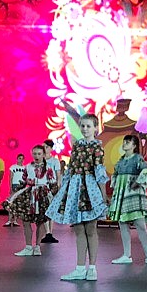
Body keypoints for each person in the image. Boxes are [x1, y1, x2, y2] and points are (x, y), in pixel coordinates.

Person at [47, 114, 109, 281]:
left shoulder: (97, 147)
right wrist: (64, 189)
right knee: (79, 229)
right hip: (75, 188)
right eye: (82, 126)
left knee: (91, 229)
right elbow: (71, 168)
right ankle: (80, 268)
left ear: (95, 128)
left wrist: (103, 194)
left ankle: (92, 268)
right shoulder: (77, 145)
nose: (85, 129)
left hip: (90, 189)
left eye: (88, 126)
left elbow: (99, 171)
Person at [107, 134, 147, 265]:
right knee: (123, 223)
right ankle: (126, 255)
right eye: (124, 142)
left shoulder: (138, 158)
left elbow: (145, 171)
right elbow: (115, 175)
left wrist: (137, 182)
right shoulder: (121, 160)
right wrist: (116, 188)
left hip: (134, 194)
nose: (124, 144)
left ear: (134, 145)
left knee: (140, 224)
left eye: (128, 142)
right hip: (123, 194)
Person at [7, 145, 58, 256]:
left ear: (43, 155)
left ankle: (37, 246)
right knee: (26, 221)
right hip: (29, 195)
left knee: (41, 221)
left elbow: (53, 183)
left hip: (42, 195)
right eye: (35, 153)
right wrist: (15, 193)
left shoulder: (49, 168)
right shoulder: (28, 167)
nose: (36, 156)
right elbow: (24, 181)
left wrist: (54, 197)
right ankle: (28, 246)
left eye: (39, 154)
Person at [40, 139, 62, 244]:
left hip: (52, 186)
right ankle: (47, 232)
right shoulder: (40, 160)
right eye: (43, 146)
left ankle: (50, 232)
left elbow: (58, 175)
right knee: (44, 209)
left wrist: (58, 186)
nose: (44, 149)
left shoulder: (55, 161)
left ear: (51, 148)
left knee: (51, 209)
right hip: (42, 186)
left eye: (46, 147)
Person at [5, 153, 27, 227]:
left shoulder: (25, 168)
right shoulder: (13, 167)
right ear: (17, 159)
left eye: (22, 159)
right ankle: (9, 220)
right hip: (14, 185)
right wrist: (10, 187)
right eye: (20, 158)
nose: (21, 160)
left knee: (18, 203)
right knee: (11, 202)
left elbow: (25, 178)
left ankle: (15, 220)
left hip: (21, 186)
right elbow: (10, 178)